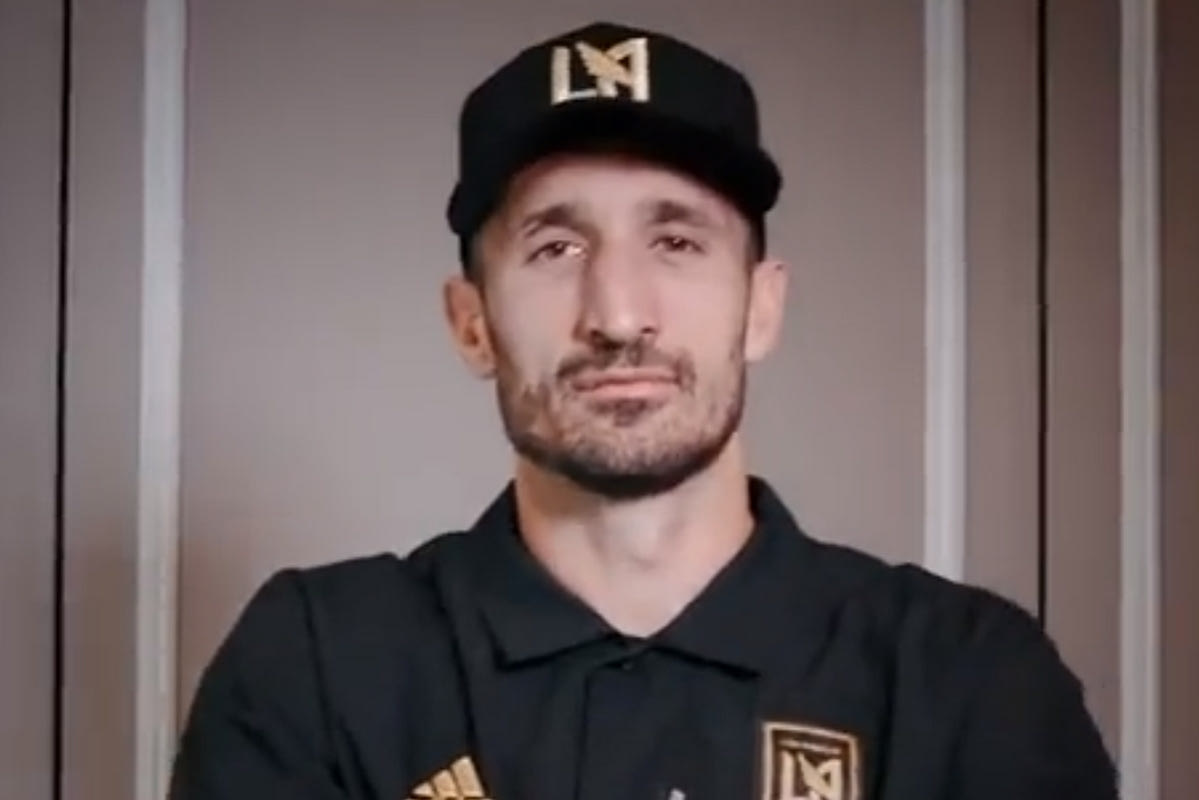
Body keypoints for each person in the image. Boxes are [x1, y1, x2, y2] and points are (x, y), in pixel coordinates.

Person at [169, 20, 1117, 800]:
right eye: (555, 249)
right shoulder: (319, 662)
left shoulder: (965, 677)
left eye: (676, 241)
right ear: (472, 324)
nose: (619, 316)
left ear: (761, 307)